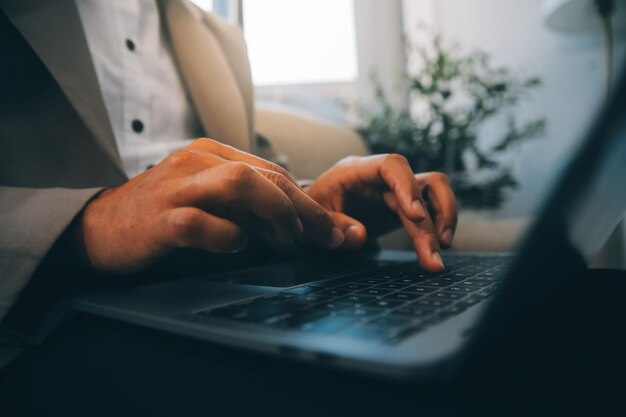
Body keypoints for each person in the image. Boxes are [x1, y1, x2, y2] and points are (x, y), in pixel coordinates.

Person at [0, 0, 456, 364]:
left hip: (239, 311)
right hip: (44, 329)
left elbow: (253, 169)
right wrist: (90, 224)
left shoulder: (220, 39)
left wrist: (314, 205)